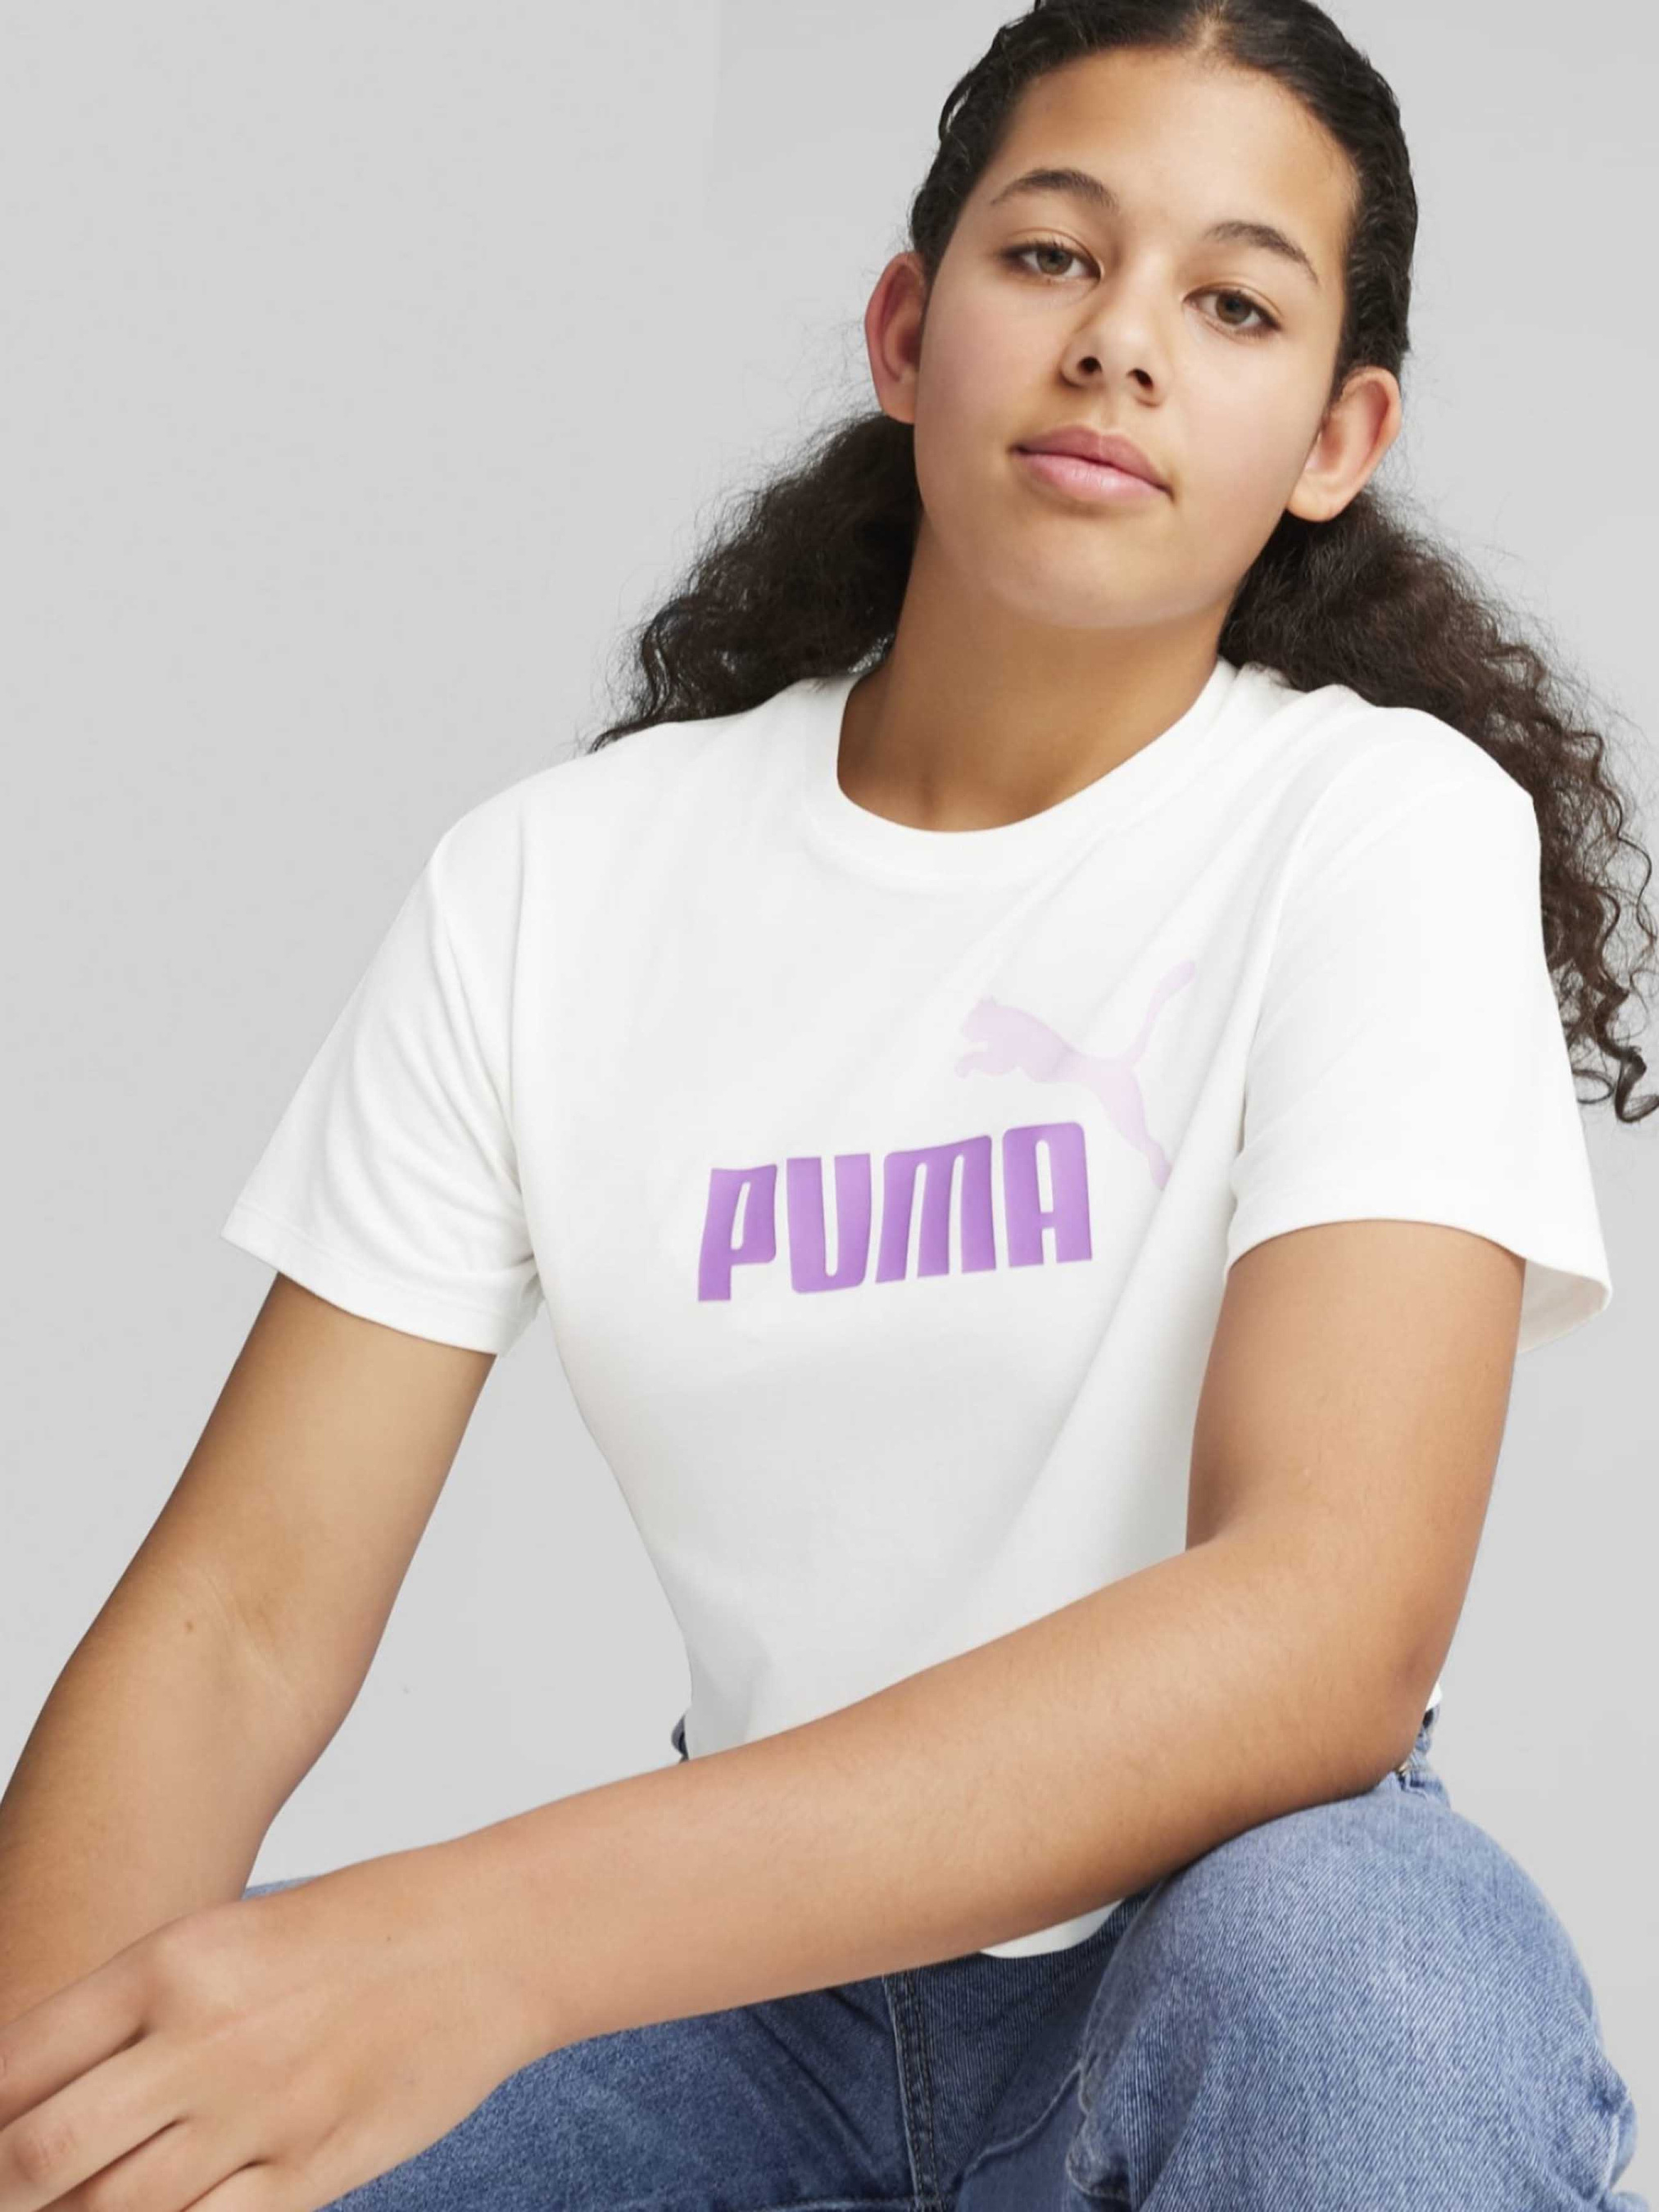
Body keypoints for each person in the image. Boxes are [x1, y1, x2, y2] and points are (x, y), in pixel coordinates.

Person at [2, 2, 1650, 2207]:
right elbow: (239, 1621)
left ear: (1338, 436)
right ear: (904, 329)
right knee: (178, 2109)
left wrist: (476, 1940)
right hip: (730, 2019)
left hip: (1207, 1966)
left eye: (1234, 304)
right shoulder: (558, 886)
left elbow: (1322, 1623)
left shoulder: (1372, 830)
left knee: (1371, 1972)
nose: (1120, 343)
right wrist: (51, 2109)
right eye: (1049, 256)